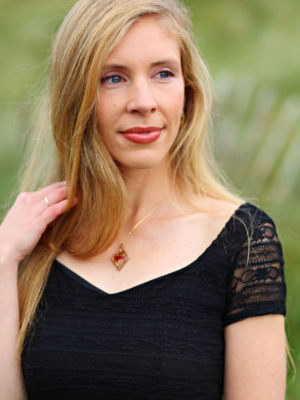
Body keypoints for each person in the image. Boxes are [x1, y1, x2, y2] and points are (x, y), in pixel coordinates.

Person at [0, 0, 287, 399]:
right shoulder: (34, 243)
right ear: (76, 96)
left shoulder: (244, 240)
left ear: (188, 92)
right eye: (113, 78)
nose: (143, 101)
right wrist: (2, 261)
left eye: (163, 74)